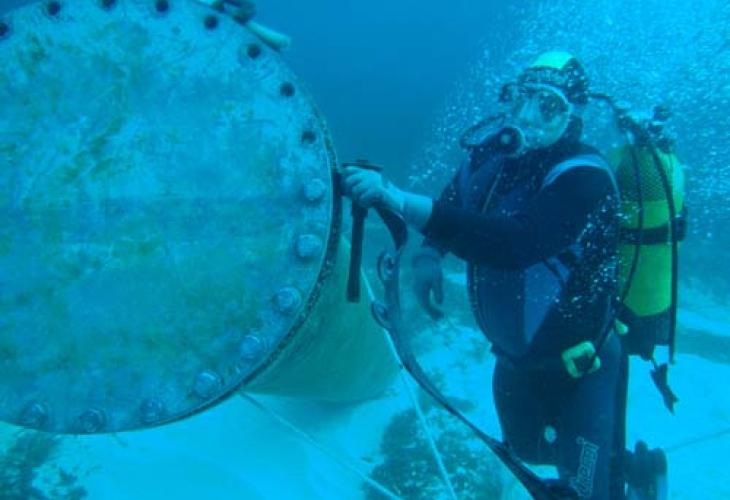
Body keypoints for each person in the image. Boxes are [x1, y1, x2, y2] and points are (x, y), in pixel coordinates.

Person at [342, 51, 666, 499]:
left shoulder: (584, 177)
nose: (528, 117)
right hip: (514, 360)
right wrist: (430, 254)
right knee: (525, 449)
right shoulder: (494, 155)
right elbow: (457, 197)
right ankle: (628, 466)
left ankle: (626, 479)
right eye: (521, 98)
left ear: (572, 116)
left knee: (581, 490)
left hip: (581, 369)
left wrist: (398, 199)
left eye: (548, 106)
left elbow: (515, 245)